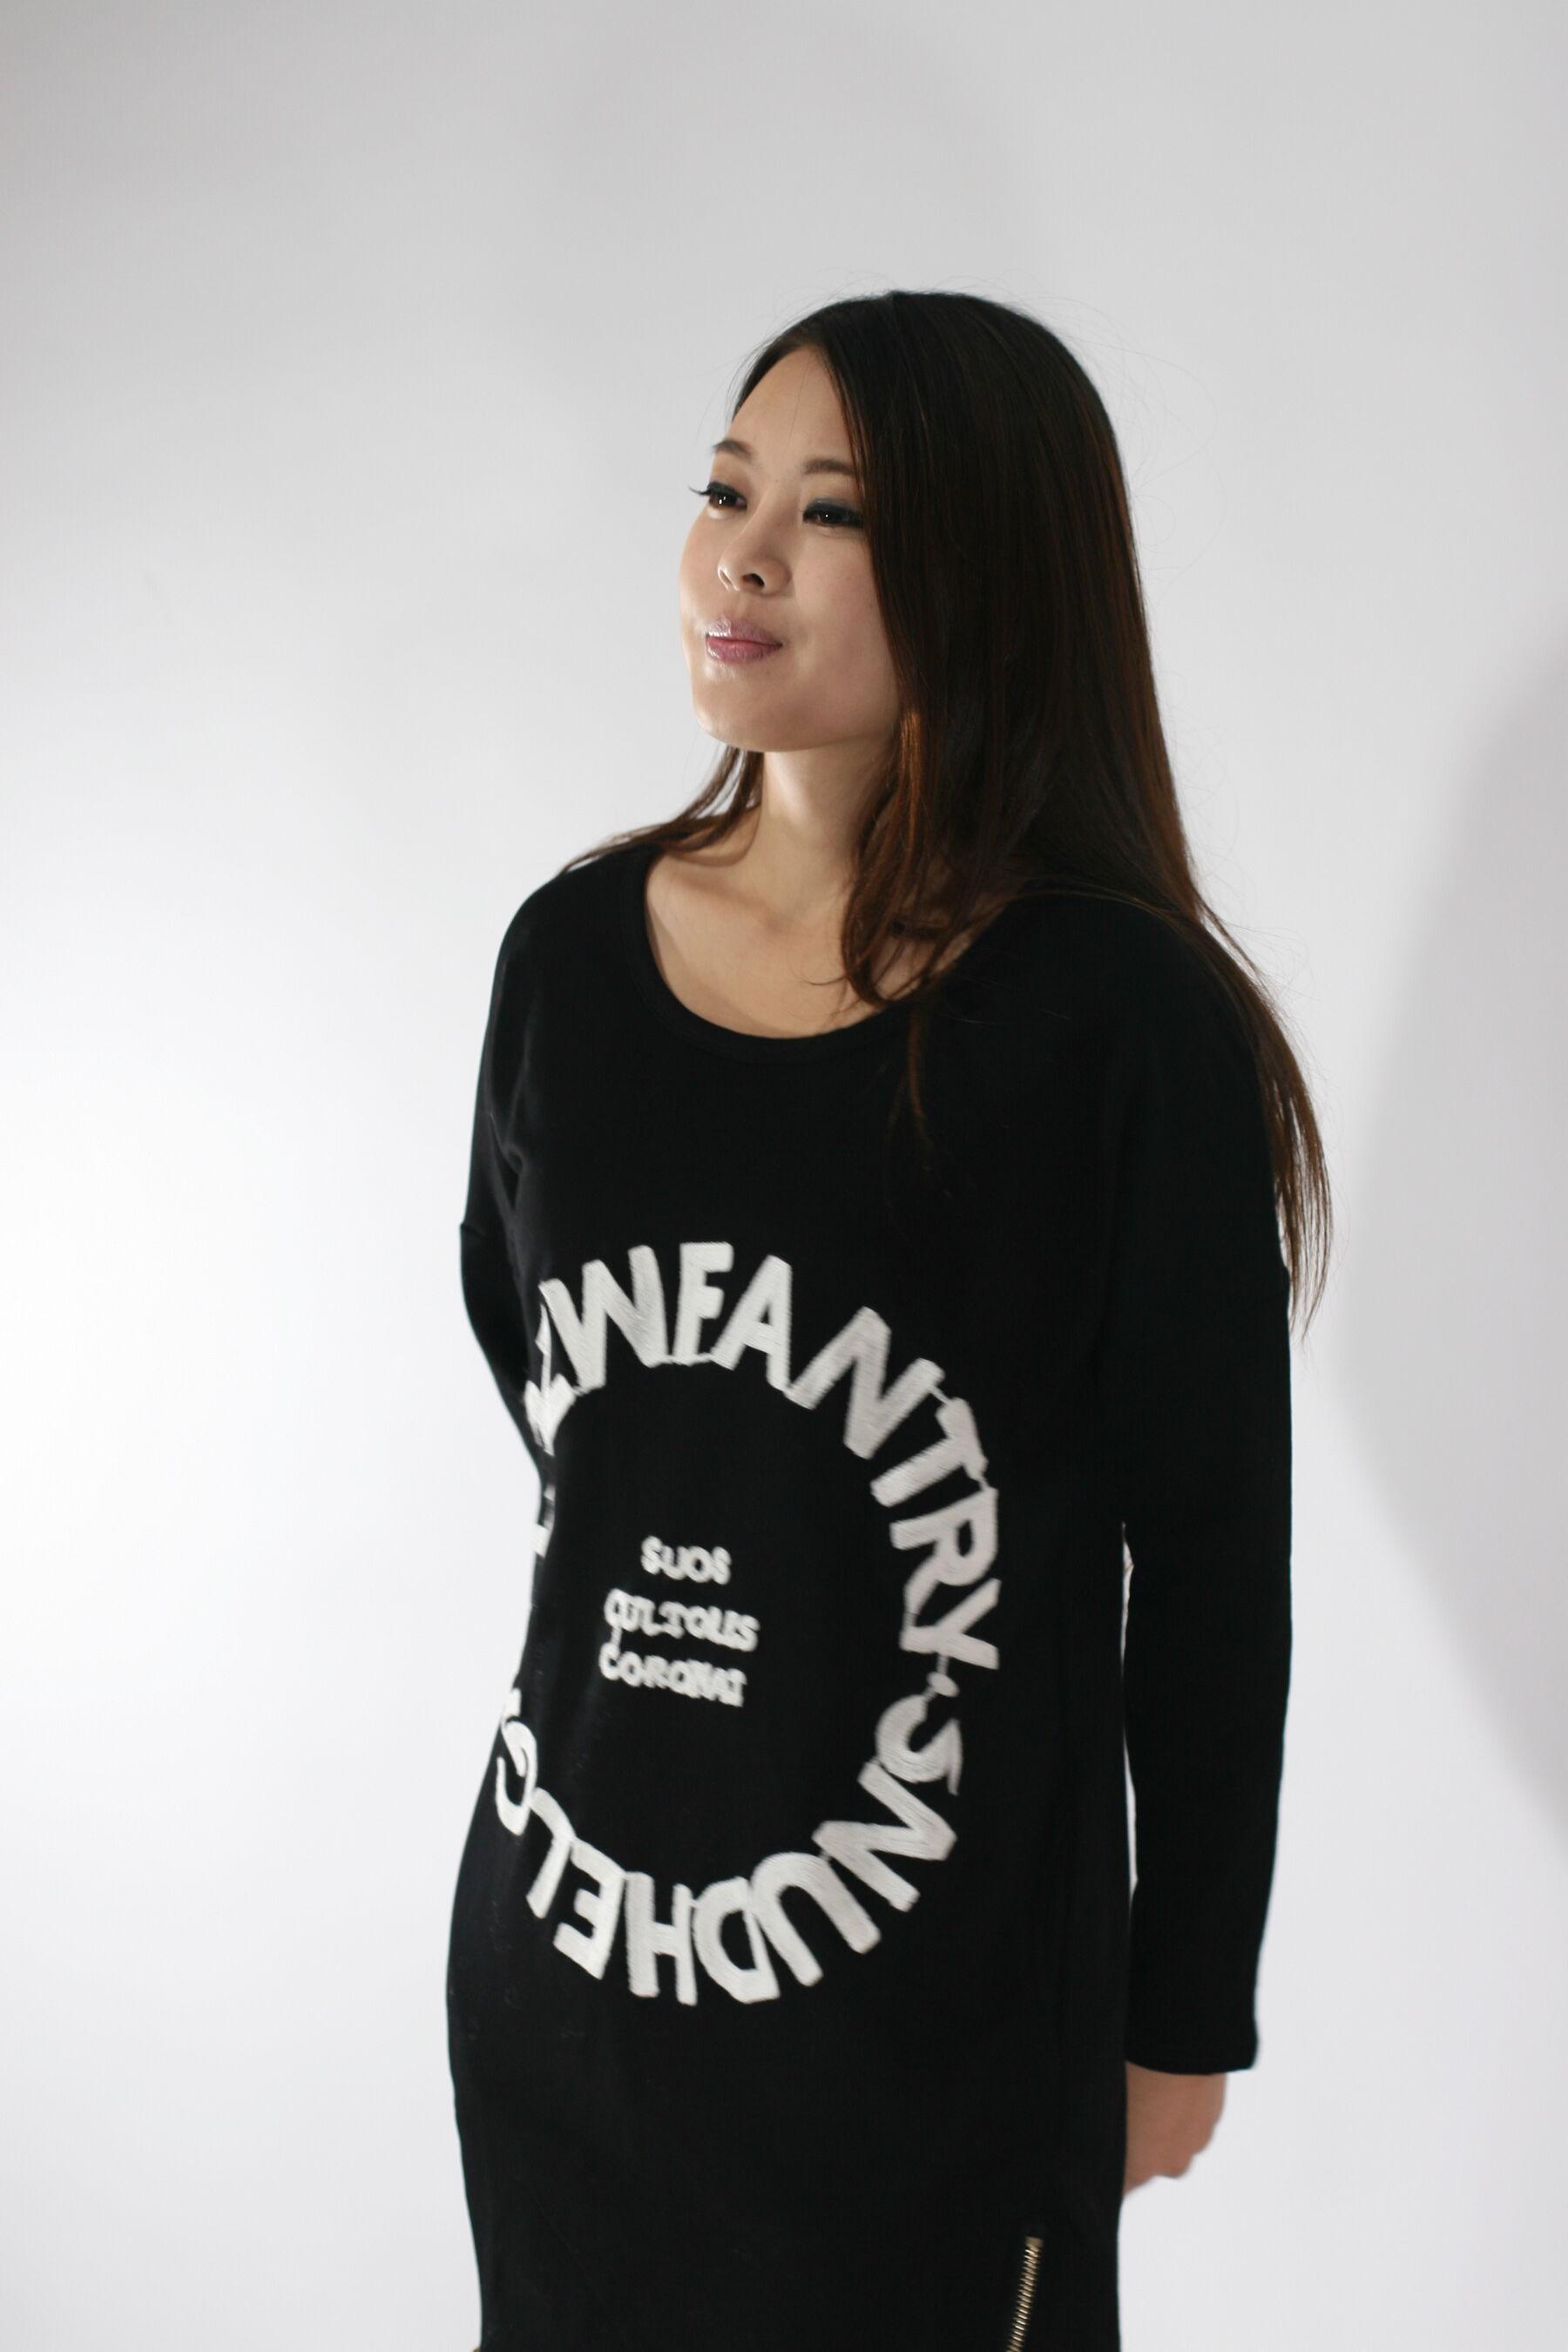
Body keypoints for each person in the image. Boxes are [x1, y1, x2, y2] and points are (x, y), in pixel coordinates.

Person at [445, 289, 1332, 2352]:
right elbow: (567, 1394)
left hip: (937, 2033)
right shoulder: (569, 957)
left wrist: (1183, 2009)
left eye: (832, 513)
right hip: (570, 1977)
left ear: (992, 573)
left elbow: (1213, 1566)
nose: (743, 556)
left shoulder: (1115, 1022)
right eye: (725, 489)